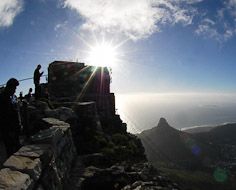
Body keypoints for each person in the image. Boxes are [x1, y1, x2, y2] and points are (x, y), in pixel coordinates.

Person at [0, 78, 21, 156]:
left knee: (17, 148)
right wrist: (9, 130)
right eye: (14, 88)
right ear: (9, 87)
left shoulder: (13, 97)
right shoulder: (2, 97)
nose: (15, 90)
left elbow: (16, 111)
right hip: (8, 129)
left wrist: (18, 125)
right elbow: (4, 116)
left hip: (15, 128)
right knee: (11, 150)